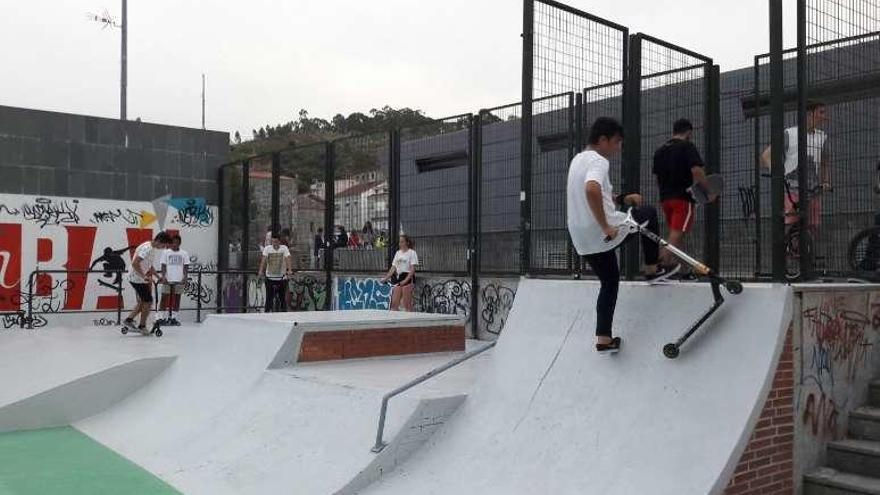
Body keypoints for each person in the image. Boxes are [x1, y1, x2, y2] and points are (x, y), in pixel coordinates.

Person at [567, 117, 677, 355]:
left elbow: (598, 193)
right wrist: (606, 226)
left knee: (609, 282)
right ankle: (651, 269)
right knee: (646, 214)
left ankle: (604, 339)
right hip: (601, 232)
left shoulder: (577, 160)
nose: (618, 148)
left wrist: (622, 199)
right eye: (616, 142)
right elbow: (591, 189)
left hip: (581, 238)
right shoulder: (598, 161)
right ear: (603, 140)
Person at [652, 118, 718, 277]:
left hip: (665, 199)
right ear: (688, 132)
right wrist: (709, 191)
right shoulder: (687, 146)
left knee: (677, 234)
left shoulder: (660, 151)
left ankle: (681, 268)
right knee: (677, 234)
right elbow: (697, 171)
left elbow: (657, 176)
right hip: (682, 198)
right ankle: (657, 266)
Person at [760, 101, 830, 230]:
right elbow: (766, 155)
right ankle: (787, 250)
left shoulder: (821, 137)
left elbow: (825, 161)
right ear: (810, 114)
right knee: (791, 228)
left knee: (811, 229)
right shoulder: (790, 134)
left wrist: (825, 181)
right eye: (821, 112)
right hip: (791, 191)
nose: (825, 116)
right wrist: (777, 174)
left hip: (812, 192)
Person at [124, 231, 172, 335]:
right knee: (148, 301)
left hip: (139, 278)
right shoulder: (147, 248)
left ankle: (129, 320)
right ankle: (142, 326)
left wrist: (158, 276)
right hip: (136, 278)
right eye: (163, 245)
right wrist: (144, 276)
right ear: (159, 241)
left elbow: (149, 265)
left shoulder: (151, 248)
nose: (163, 247)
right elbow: (135, 263)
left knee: (143, 301)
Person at [381, 235, 419, 311]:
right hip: (399, 278)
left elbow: (412, 269)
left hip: (408, 278)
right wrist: (386, 278)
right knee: (394, 304)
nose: (400, 244)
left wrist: (405, 280)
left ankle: (411, 320)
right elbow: (393, 268)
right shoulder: (398, 253)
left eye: (402, 242)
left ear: (407, 243)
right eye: (399, 242)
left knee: (406, 304)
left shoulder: (412, 253)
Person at [159, 234, 189, 325]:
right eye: (173, 242)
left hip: (179, 279)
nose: (175, 244)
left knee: (177, 298)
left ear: (180, 243)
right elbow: (163, 265)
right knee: (164, 298)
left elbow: (186, 266)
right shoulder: (166, 252)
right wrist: (163, 276)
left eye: (177, 242)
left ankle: (173, 318)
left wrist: (185, 277)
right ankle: (161, 318)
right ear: (171, 243)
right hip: (168, 279)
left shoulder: (184, 253)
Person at [258, 232, 292, 312]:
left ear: (279, 242)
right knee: (269, 299)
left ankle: (284, 314)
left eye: (276, 242)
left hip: (281, 278)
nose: (274, 244)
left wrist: (289, 269)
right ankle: (267, 314)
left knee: (282, 299)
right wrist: (260, 270)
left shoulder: (284, 248)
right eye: (272, 242)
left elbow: (288, 258)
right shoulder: (267, 249)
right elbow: (263, 260)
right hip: (270, 278)